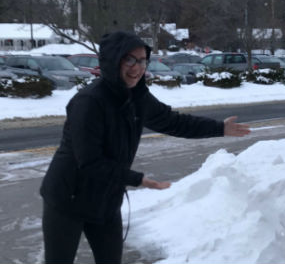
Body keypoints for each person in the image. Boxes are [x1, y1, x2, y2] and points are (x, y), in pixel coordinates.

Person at [40, 31, 251, 264]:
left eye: (142, 60)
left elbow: (173, 121)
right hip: (67, 197)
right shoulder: (89, 102)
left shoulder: (137, 97)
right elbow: (90, 162)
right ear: (112, 61)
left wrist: (219, 128)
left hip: (106, 198)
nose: (137, 68)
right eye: (129, 59)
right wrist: (137, 179)